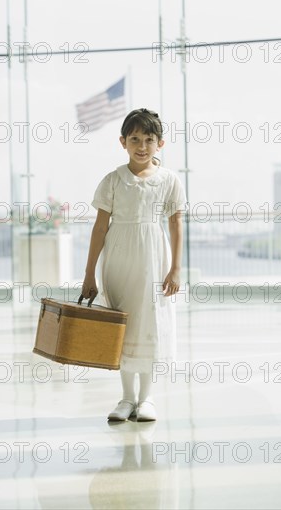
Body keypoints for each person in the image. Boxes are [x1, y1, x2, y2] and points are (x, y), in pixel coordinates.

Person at [82, 107, 187, 421]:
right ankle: (126, 398)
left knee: (150, 323)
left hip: (155, 259)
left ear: (161, 144)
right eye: (135, 139)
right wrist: (89, 273)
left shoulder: (169, 180)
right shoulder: (113, 180)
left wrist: (176, 268)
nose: (142, 146)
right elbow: (100, 228)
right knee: (122, 325)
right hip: (118, 259)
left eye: (149, 140)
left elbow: (176, 224)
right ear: (123, 142)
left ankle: (146, 399)